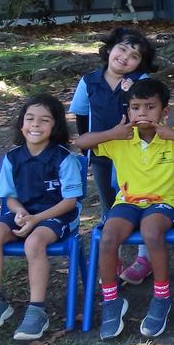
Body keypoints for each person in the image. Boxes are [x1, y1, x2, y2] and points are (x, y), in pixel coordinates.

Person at [75, 79, 174, 340]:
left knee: (151, 232)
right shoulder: (121, 138)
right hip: (127, 202)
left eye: (149, 107)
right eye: (135, 107)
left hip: (163, 204)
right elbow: (81, 142)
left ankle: (162, 296)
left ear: (164, 112)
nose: (141, 113)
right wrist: (111, 134)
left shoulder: (172, 139)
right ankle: (111, 300)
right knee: (108, 236)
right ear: (128, 111)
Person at [0, 94, 83, 341]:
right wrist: (20, 212)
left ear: (55, 127)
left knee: (34, 242)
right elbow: (9, 197)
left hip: (59, 215)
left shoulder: (65, 159)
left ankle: (37, 309)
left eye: (44, 120)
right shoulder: (12, 158)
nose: (36, 124)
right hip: (25, 214)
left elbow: (69, 202)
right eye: (30, 118)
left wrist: (36, 219)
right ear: (21, 123)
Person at [69, 27, 157, 284]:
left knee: (140, 200)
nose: (126, 57)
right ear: (109, 49)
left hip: (135, 156)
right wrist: (90, 148)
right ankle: (113, 257)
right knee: (111, 205)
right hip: (101, 155)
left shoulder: (140, 81)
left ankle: (144, 258)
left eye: (134, 56)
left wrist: (133, 91)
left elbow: (147, 114)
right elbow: (81, 116)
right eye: (122, 49)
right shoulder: (89, 82)